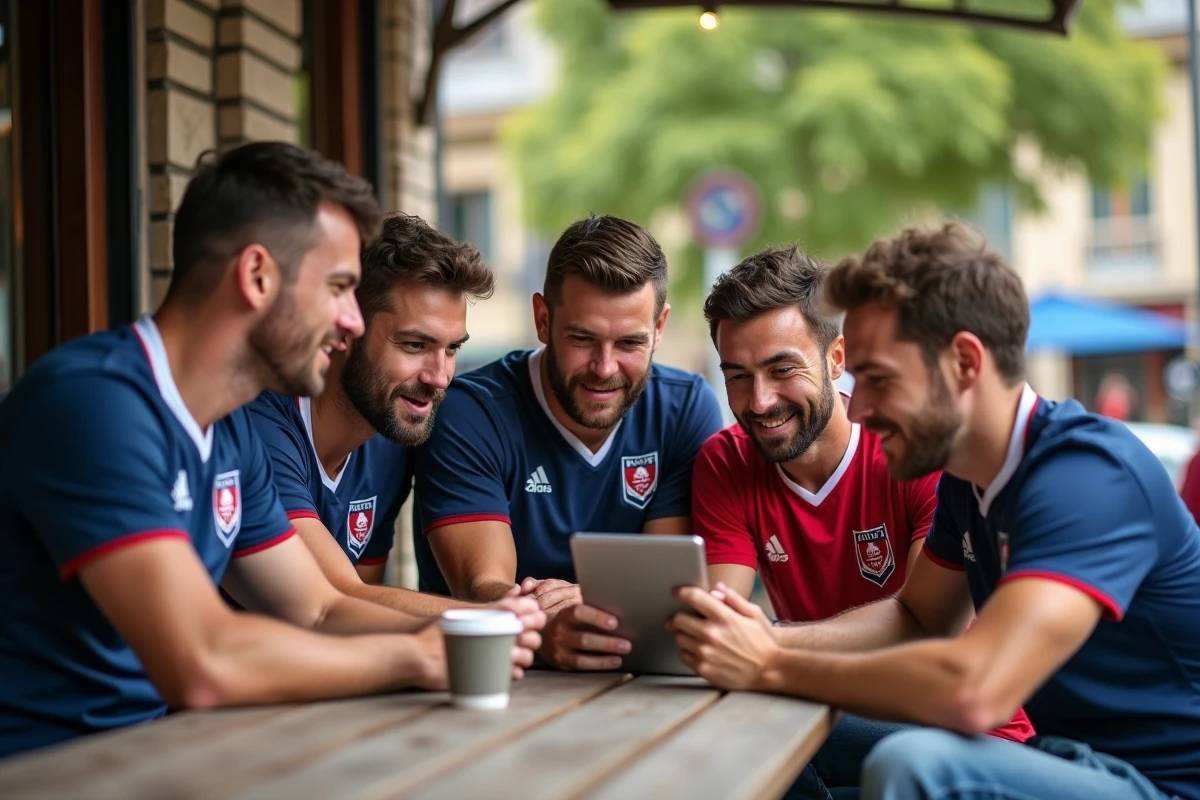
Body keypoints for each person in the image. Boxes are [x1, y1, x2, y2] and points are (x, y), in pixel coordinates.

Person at [0, 142, 541, 757]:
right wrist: (414, 657)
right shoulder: (93, 405)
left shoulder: (226, 428)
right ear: (257, 276)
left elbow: (317, 608)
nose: (352, 323)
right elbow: (201, 659)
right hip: (39, 767)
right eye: (339, 288)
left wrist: (482, 628)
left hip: (152, 754)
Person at [670, 222, 1200, 800]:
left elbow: (977, 689)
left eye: (878, 380)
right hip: (1073, 764)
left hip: (1160, 787)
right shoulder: (967, 483)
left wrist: (771, 665)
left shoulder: (1089, 476)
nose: (861, 408)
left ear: (965, 364)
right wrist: (765, 645)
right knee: (777, 730)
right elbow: (918, 619)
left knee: (917, 765)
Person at [695, 245, 1033, 799]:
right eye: (737, 375)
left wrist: (769, 645)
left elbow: (926, 623)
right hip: (826, 713)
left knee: (762, 725)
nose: (759, 400)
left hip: (959, 731)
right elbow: (722, 618)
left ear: (836, 358)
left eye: (782, 369)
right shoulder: (725, 460)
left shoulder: (909, 444)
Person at [414, 214, 724, 670]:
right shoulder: (468, 412)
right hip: (493, 680)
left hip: (637, 683)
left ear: (659, 328)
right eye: (583, 338)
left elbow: (664, 591)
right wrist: (545, 631)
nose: (604, 367)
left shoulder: (684, 410)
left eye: (629, 344)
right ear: (543, 319)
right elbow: (481, 589)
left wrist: (585, 607)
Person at [247, 212, 540, 627]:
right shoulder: (259, 422)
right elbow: (336, 601)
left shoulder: (391, 438)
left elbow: (363, 621)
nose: (438, 377)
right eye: (415, 344)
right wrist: (510, 619)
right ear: (345, 327)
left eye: (452, 349)